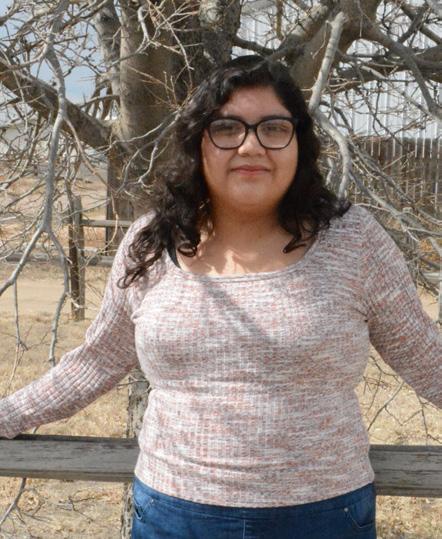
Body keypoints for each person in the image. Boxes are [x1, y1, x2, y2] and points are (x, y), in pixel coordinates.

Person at [0, 55, 441, 539]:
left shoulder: (353, 241)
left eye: (273, 128)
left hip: (322, 516)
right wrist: (8, 415)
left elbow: (424, 356)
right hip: (173, 515)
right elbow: (97, 360)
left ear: (299, 143)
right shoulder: (151, 243)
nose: (251, 146)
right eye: (227, 128)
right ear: (198, 143)